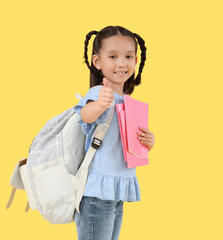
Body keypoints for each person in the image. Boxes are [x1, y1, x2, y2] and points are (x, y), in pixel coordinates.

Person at [73, 25, 155, 240]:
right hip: (97, 193)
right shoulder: (99, 93)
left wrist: (148, 142)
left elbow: (126, 144)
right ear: (97, 61)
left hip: (115, 191)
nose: (121, 63)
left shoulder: (129, 102)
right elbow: (85, 116)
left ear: (136, 61)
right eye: (112, 56)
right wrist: (99, 105)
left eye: (128, 56)